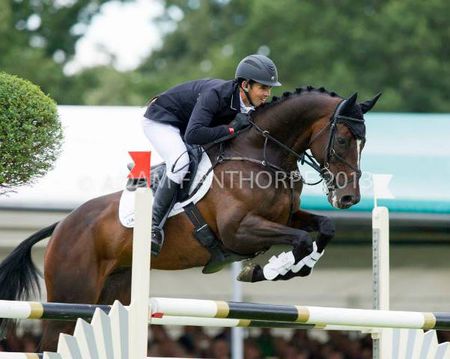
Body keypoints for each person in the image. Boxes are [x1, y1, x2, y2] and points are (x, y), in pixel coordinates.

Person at [142, 54, 282, 256]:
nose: (267, 93)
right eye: (263, 87)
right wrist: (231, 130)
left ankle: (156, 173)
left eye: (269, 88)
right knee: (181, 163)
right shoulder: (216, 95)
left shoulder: (248, 104)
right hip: (162, 120)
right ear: (245, 85)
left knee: (197, 158)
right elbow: (193, 134)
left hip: (186, 123)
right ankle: (153, 227)